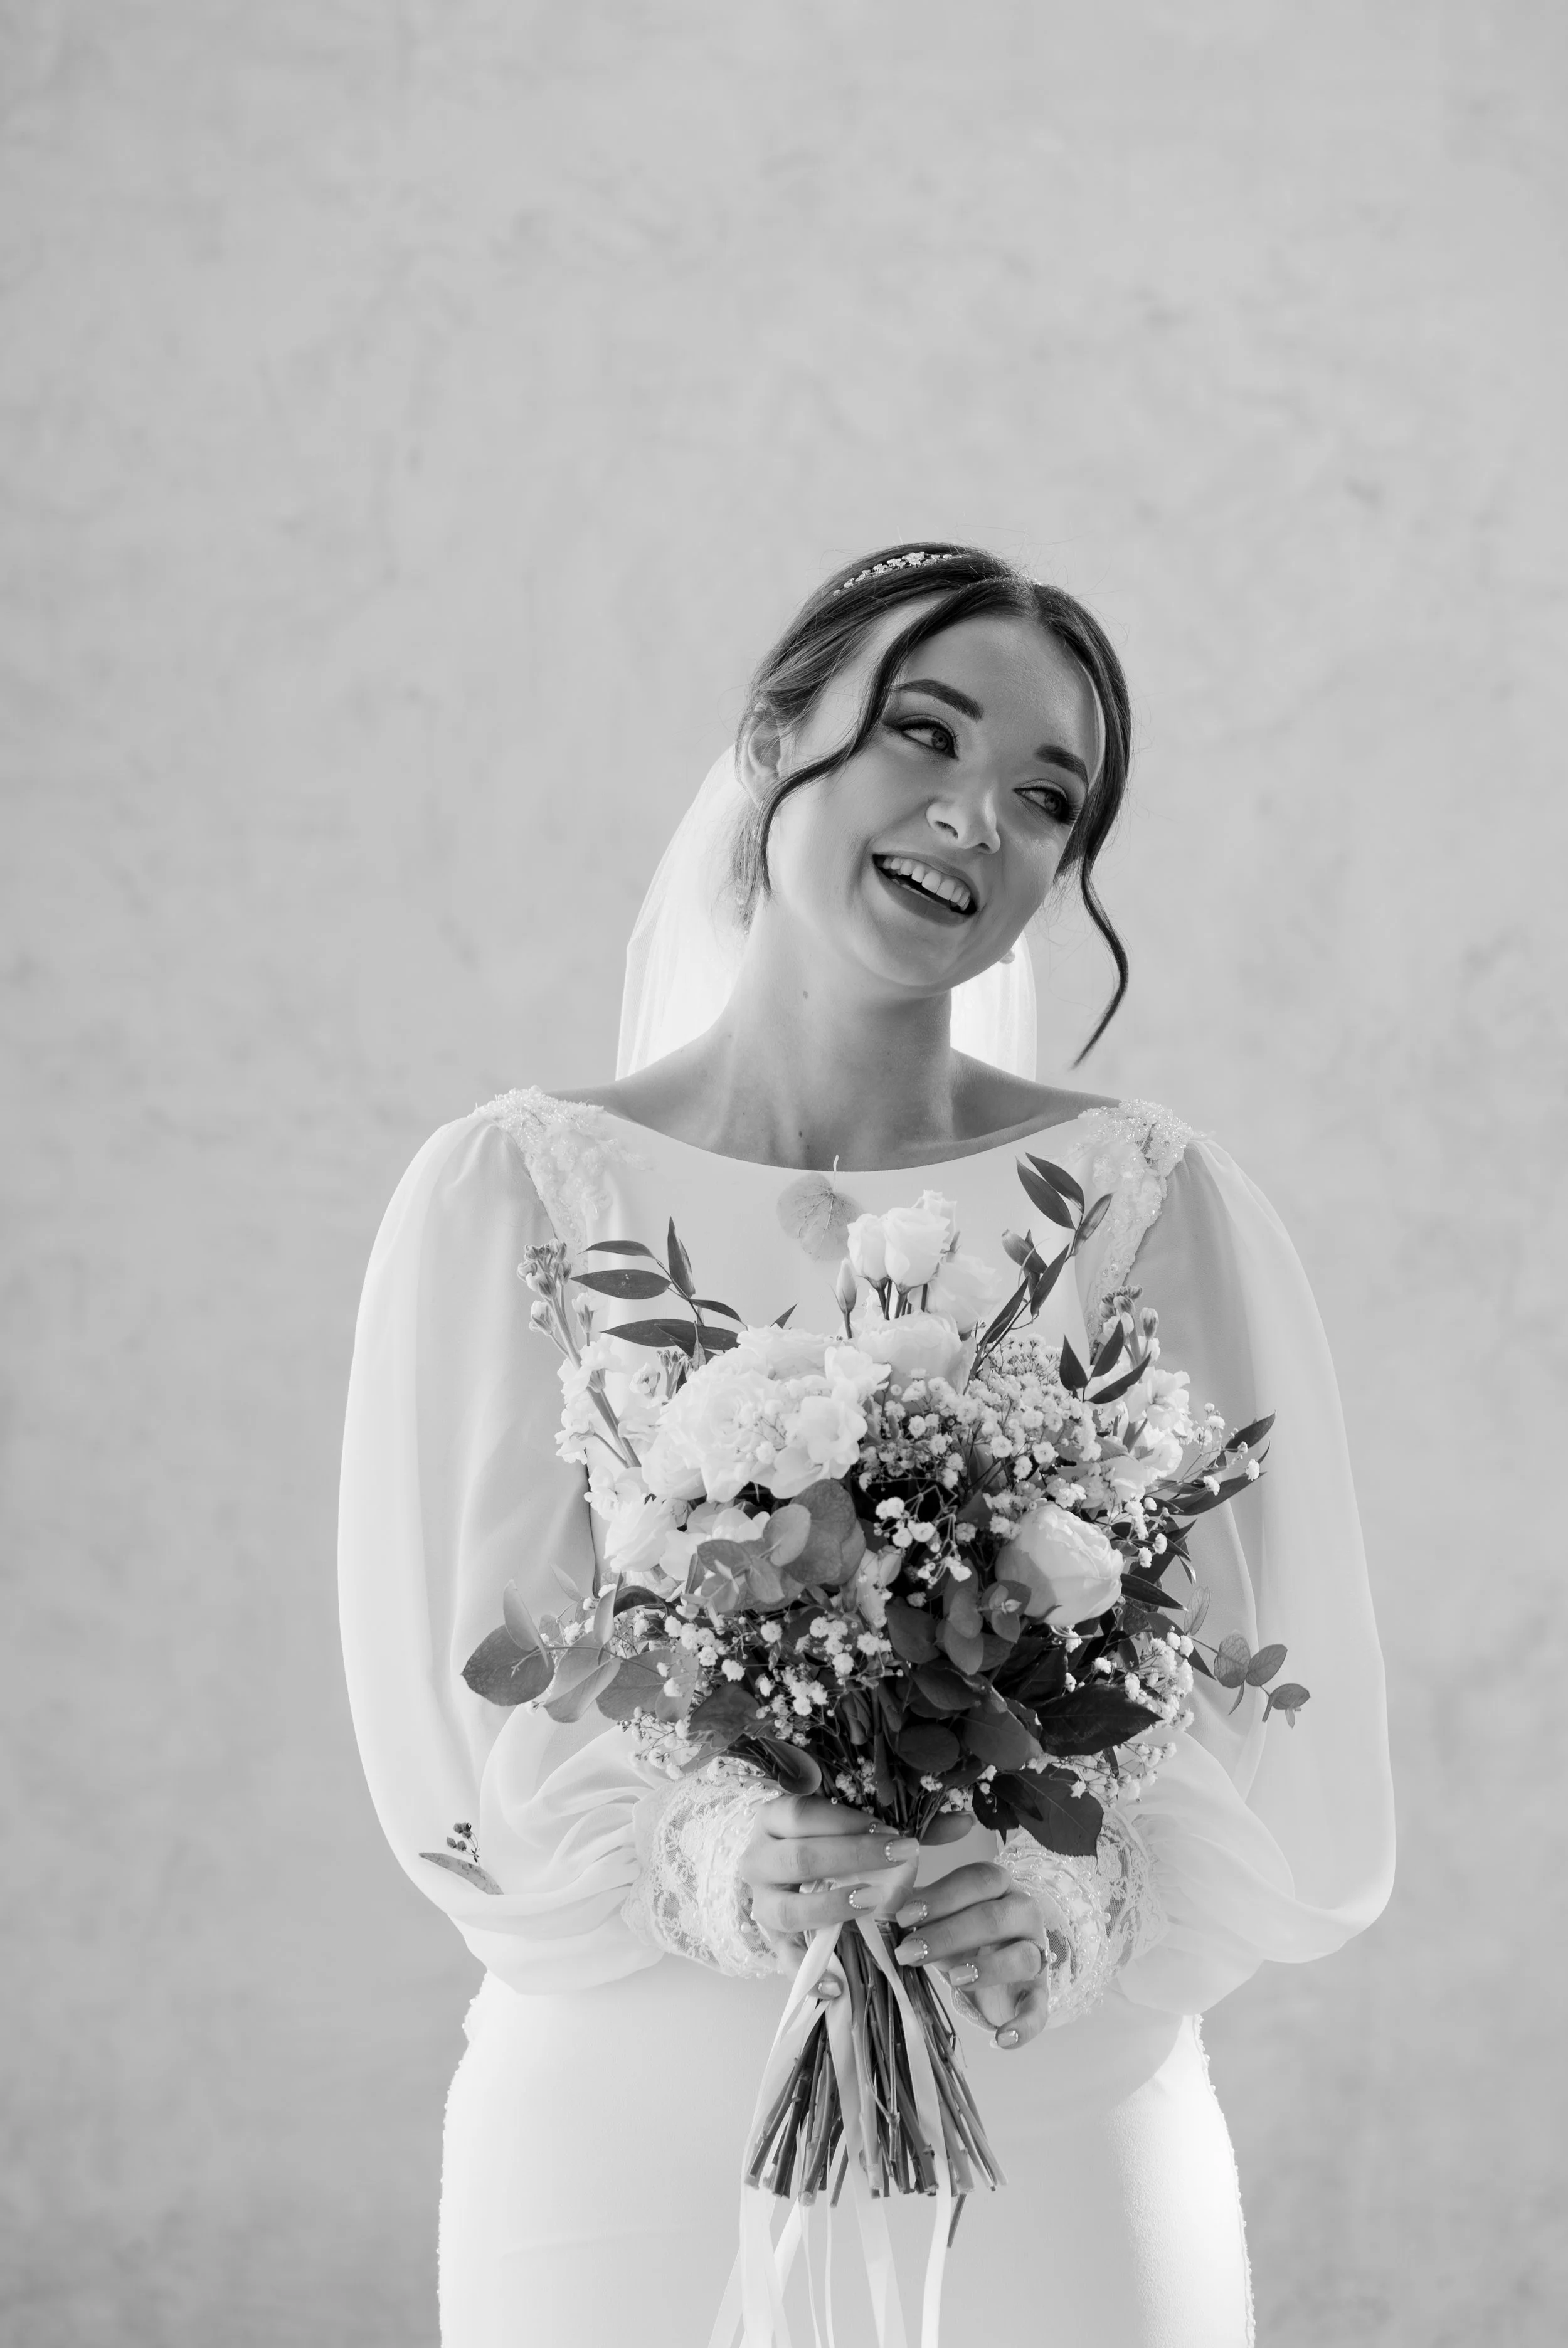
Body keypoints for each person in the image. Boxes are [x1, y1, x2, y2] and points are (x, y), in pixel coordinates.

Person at [338, 542, 1394, 2346]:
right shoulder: (512, 1192)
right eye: (922, 735)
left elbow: (1231, 1693)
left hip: (1045, 2088)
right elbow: (461, 1709)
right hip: (632, 2111)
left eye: (1045, 798)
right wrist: (707, 1857)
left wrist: (1067, 1887)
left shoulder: (1145, 1202)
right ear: (769, 741)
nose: (975, 820)